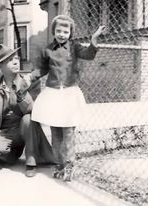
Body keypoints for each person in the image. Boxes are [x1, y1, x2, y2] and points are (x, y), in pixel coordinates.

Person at [27, 15, 105, 181]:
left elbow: (89, 55)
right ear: (54, 32)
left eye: (65, 31)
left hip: (69, 94)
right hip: (53, 94)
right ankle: (59, 164)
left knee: (68, 132)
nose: (62, 34)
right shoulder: (47, 50)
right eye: (58, 30)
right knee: (56, 133)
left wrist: (94, 39)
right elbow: (41, 70)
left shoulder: (75, 47)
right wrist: (29, 78)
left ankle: (69, 165)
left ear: (70, 33)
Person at [0, 44, 55, 177]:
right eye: (10, 60)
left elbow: (32, 110)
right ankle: (7, 156)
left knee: (28, 119)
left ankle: (31, 162)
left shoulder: (29, 82)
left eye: (16, 58)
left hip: (27, 128)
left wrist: (21, 93)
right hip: (6, 133)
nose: (16, 61)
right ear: (0, 66)